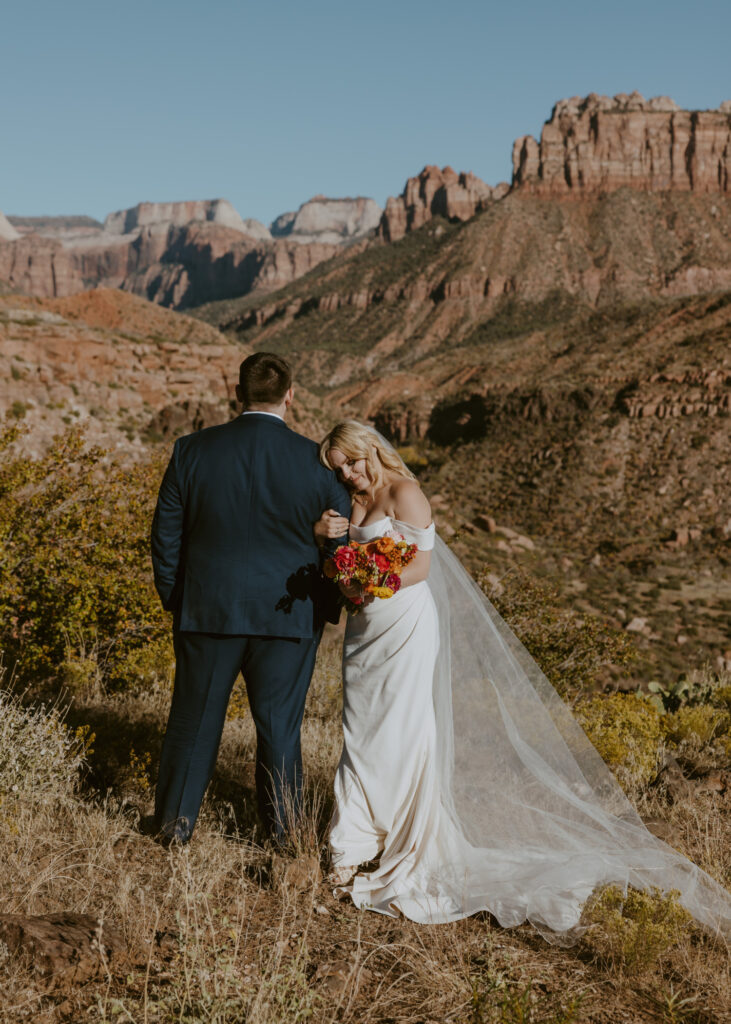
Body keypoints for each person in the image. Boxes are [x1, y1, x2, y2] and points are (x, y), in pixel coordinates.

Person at [314, 420, 731, 943]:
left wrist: (376, 576)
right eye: (340, 469)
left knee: (400, 732)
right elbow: (346, 554)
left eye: (351, 462)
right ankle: (357, 838)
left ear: (370, 450)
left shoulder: (405, 492)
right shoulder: (355, 501)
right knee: (362, 728)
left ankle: (368, 845)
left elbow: (422, 565)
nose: (349, 474)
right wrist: (334, 554)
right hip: (365, 629)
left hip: (404, 625)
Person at [150, 353, 350, 845]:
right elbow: (339, 548)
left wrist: (178, 599)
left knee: (193, 722)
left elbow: (165, 538)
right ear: (291, 394)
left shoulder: (191, 450)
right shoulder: (320, 464)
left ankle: (174, 828)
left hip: (207, 611)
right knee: (280, 729)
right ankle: (284, 835)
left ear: (238, 393)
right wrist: (324, 610)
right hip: (289, 617)